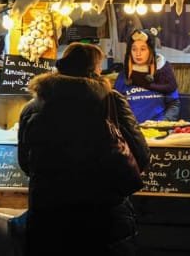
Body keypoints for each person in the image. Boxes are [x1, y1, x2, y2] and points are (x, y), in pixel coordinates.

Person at [18, 42, 150, 256]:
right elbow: (141, 155)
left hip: (49, 215)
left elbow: (25, 162)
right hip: (103, 215)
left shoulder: (33, 106)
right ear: (93, 69)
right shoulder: (111, 101)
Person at [114, 28, 180, 123]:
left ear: (150, 50)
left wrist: (163, 123)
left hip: (159, 132)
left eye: (143, 49)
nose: (138, 53)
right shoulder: (124, 75)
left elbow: (174, 104)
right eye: (134, 49)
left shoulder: (163, 73)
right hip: (132, 132)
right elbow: (116, 105)